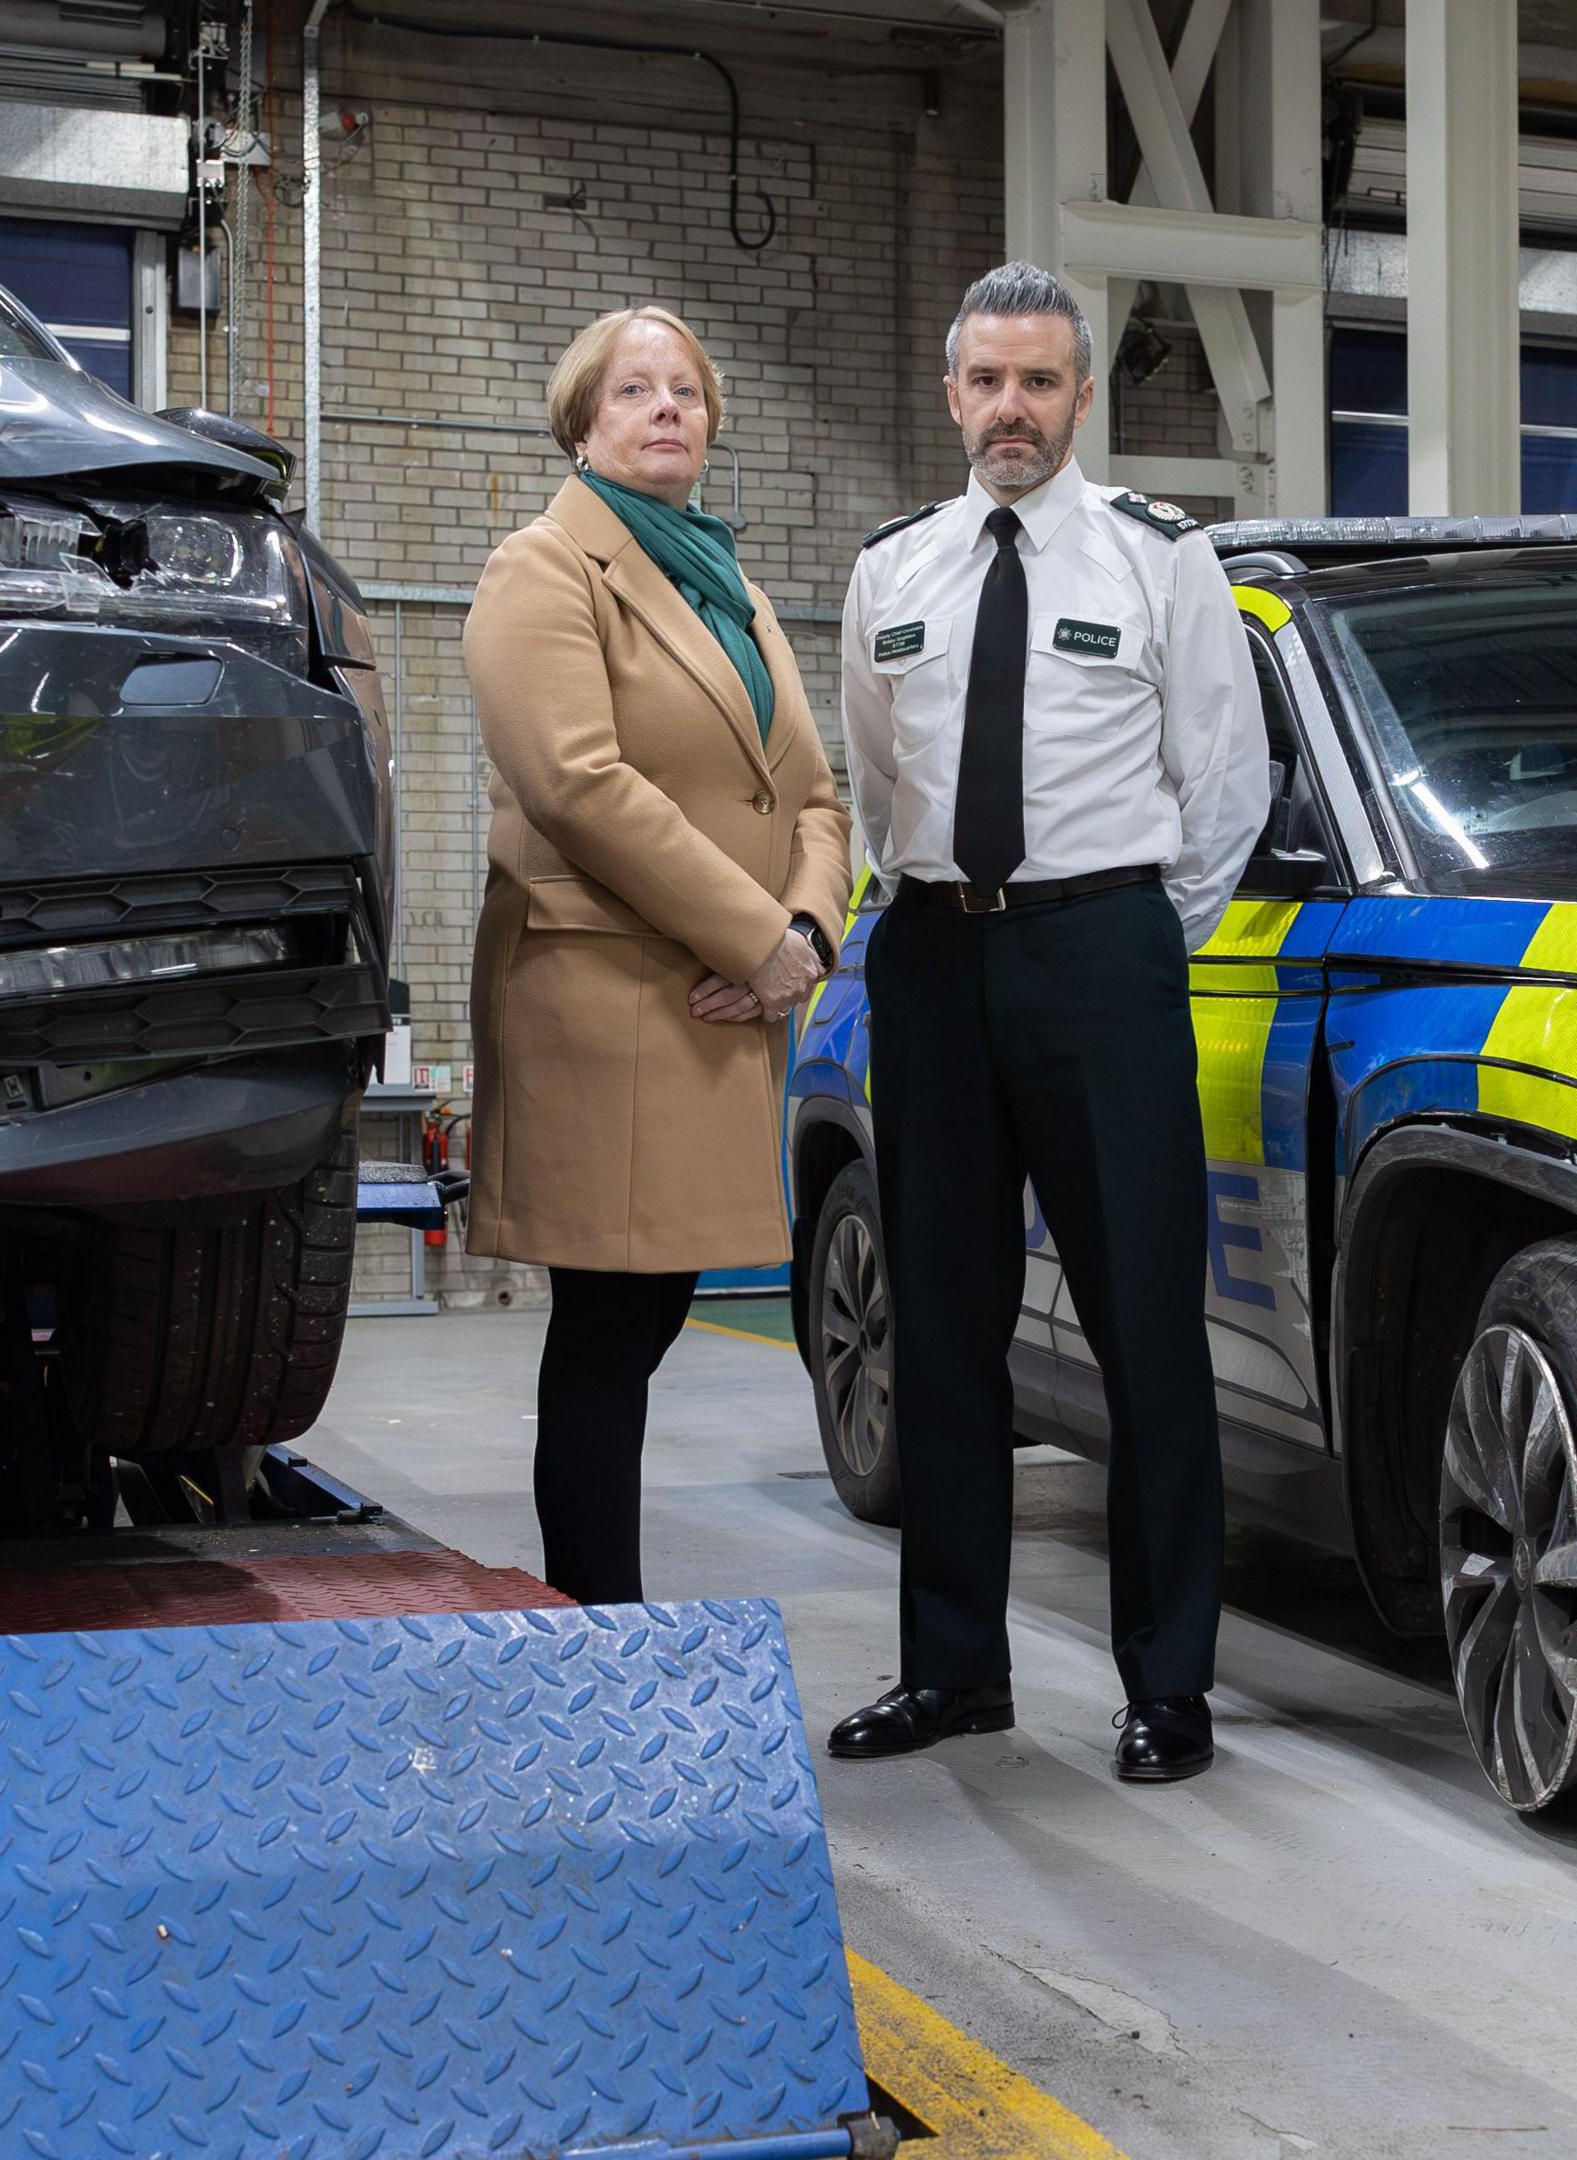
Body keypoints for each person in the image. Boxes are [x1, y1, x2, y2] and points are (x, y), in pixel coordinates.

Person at [824, 262, 1268, 1783]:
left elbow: (1224, 786)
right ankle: (954, 1668)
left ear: (1082, 398)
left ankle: (1169, 1683)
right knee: (943, 1324)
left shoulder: (1160, 559)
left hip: (1100, 957)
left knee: (1144, 1321)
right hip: (935, 963)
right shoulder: (896, 572)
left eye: (1040, 383)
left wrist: (1125, 934)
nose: (1011, 409)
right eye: (987, 383)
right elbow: (879, 780)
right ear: (952, 397)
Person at [462, 304, 851, 1604]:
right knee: (608, 1329)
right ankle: (596, 1624)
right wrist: (752, 933)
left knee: (643, 1321)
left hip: (720, 1000)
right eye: (635, 390)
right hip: (605, 1003)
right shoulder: (544, 570)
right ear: (583, 421)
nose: (667, 408)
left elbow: (813, 795)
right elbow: (578, 786)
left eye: (685, 389)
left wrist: (804, 934)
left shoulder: (723, 584)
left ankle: (602, 1620)